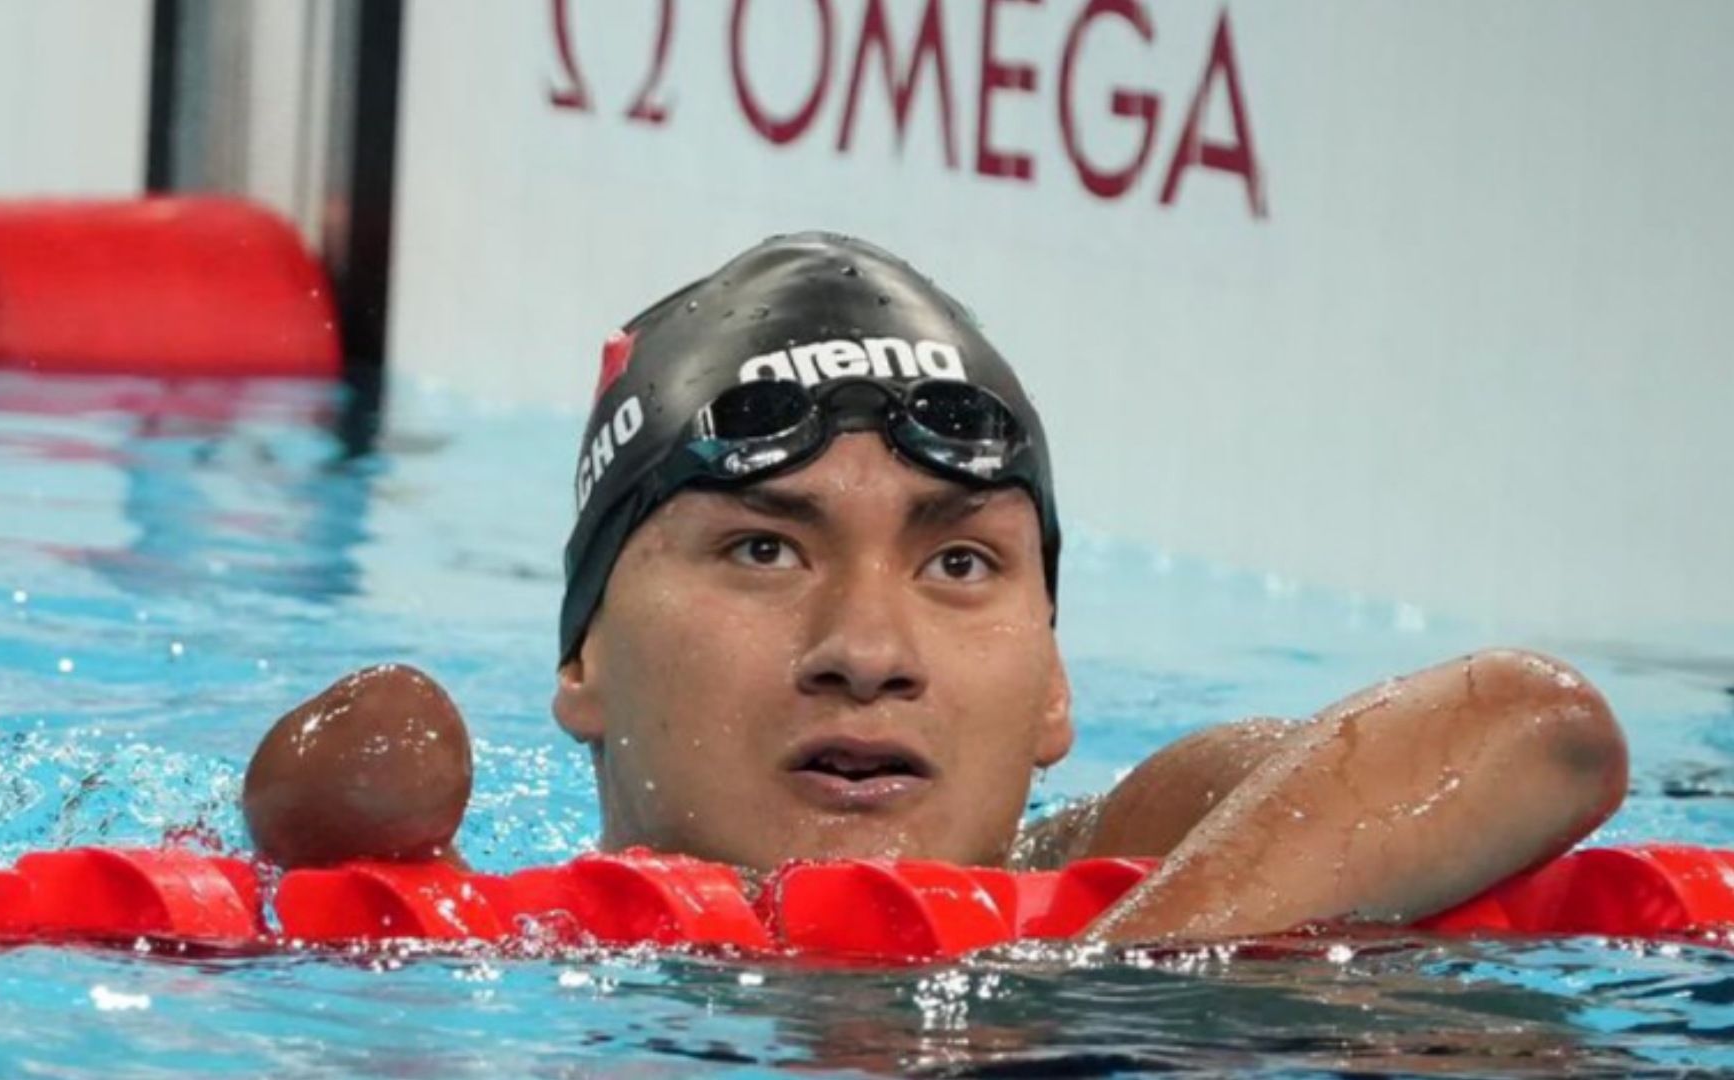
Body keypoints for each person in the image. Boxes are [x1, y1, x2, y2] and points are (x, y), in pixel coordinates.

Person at [243, 233, 1629, 944]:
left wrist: (1106, 995)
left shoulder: (1137, 853)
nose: (869, 650)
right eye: (765, 548)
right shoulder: (482, 944)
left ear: (1055, 684)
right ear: (584, 657)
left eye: (960, 562)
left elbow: (1538, 728)